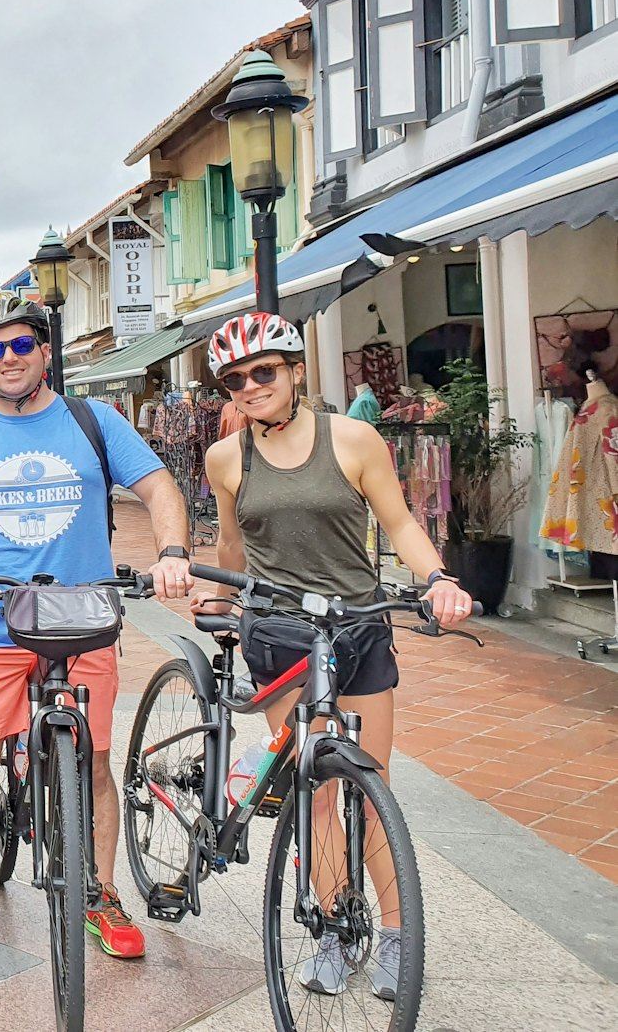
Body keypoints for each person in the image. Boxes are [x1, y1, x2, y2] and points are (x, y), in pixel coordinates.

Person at [194, 312, 473, 1000]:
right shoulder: (226, 457)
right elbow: (234, 543)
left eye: (264, 372)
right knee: (316, 792)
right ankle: (331, 929)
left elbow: (400, 521)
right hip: (280, 636)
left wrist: (438, 579)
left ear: (294, 373)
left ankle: (401, 937)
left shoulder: (352, 439)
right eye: (236, 380)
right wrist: (225, 607)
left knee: (371, 791)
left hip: (356, 627)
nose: (251, 387)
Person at [0, 299, 193, 972]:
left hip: (83, 623)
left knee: (94, 765)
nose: (9, 359)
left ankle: (100, 894)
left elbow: (159, 488)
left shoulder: (93, 421)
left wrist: (173, 551)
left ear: (45, 353)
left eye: (22, 347)